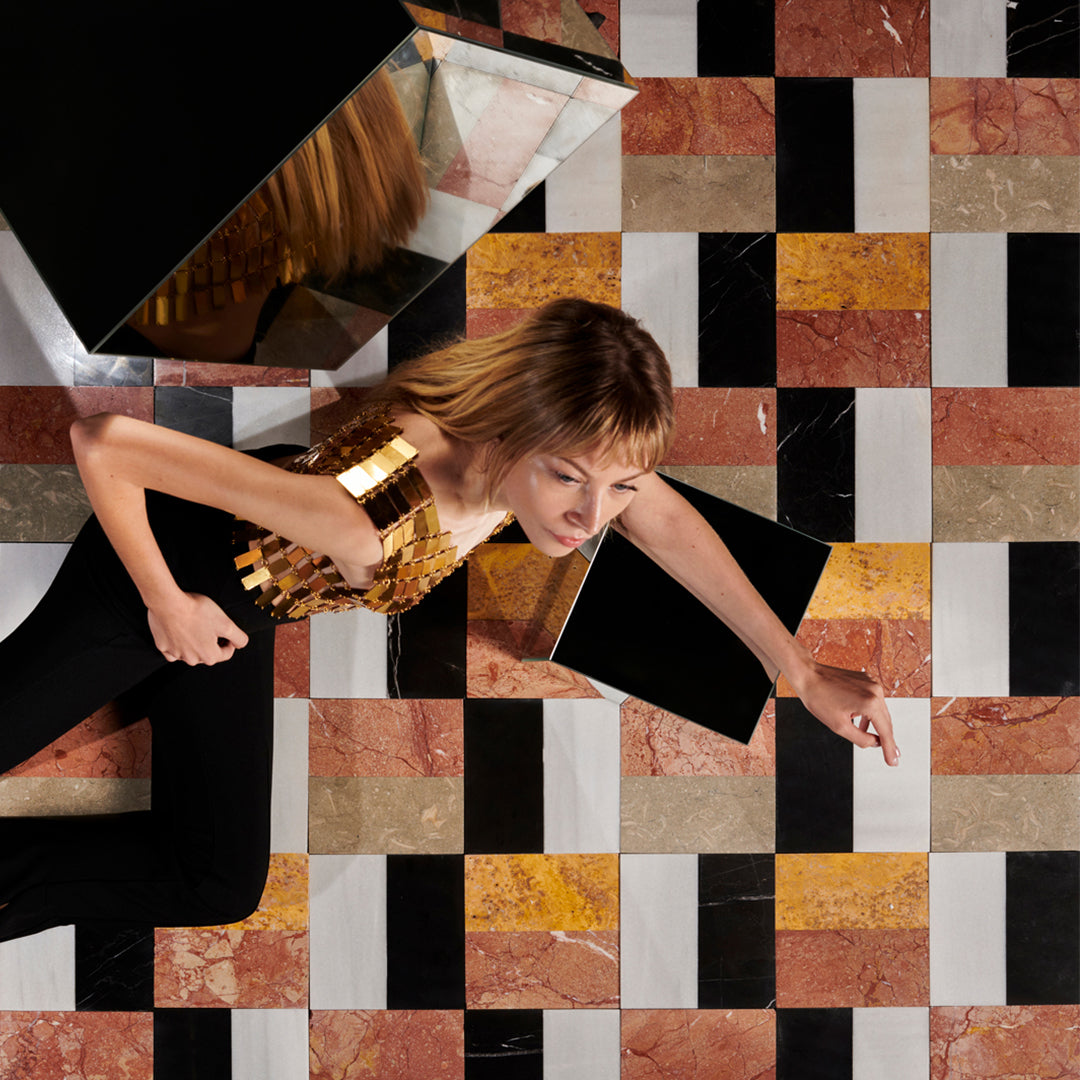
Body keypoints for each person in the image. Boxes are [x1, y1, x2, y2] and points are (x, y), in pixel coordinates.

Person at [0, 298, 898, 943]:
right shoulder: (366, 523)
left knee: (214, 881)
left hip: (252, 602)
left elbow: (662, 519)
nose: (593, 517)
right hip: (165, 572)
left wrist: (800, 668)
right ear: (517, 436)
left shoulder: (539, 443)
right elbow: (105, 447)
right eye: (570, 480)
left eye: (616, 485)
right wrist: (167, 604)